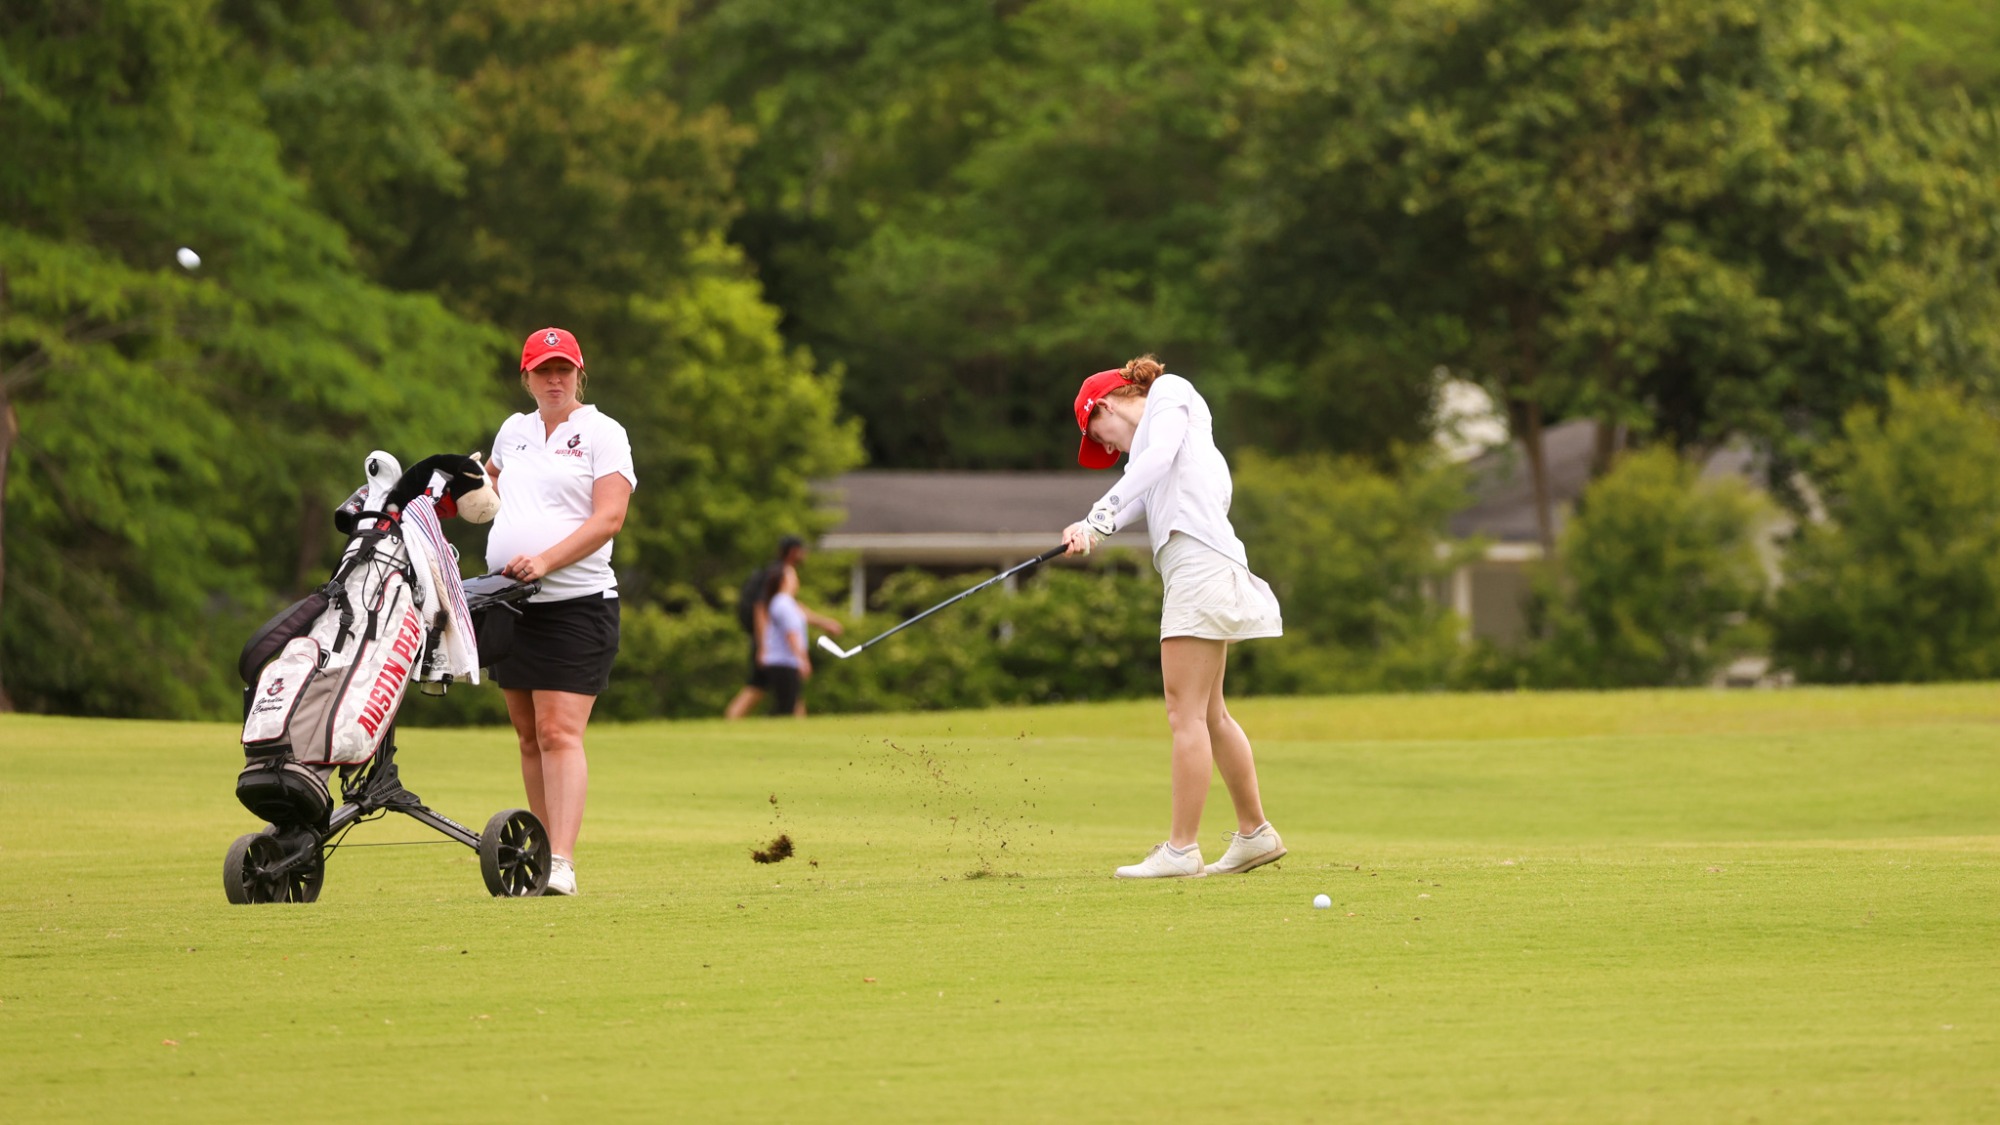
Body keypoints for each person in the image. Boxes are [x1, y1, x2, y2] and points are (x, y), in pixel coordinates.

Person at [1062, 354, 1286, 879]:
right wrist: (1095, 525)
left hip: (1198, 563)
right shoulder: (1148, 448)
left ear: (1108, 402)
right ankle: (1255, 834)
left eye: (1100, 433)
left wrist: (1099, 512)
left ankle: (1182, 849)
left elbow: (1155, 460)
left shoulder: (1170, 394)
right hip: (1201, 564)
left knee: (1182, 712)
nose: (1107, 447)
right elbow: (1143, 487)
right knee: (1210, 714)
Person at [483, 326, 635, 896]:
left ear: (579, 374)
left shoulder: (603, 433)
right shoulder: (512, 432)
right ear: (525, 377)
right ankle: (540, 853)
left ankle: (563, 863)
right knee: (527, 734)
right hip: (512, 605)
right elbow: (488, 490)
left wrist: (545, 559)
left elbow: (608, 518)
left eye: (563, 370)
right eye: (543, 370)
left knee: (558, 731)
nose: (554, 379)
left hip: (579, 604)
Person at [723, 536, 843, 719]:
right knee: (758, 688)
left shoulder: (781, 579)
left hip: (772, 644)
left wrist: (823, 622)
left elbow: (794, 610)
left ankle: (798, 728)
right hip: (770, 643)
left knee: (783, 691)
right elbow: (761, 609)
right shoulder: (779, 574)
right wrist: (763, 647)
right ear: (794, 551)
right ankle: (731, 719)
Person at [757, 565, 812, 716]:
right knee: (785, 707)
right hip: (783, 661)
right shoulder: (783, 603)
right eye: (793, 576)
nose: (796, 580)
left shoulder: (785, 603)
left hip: (783, 661)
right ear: (783, 581)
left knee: (789, 704)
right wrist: (802, 659)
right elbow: (791, 634)